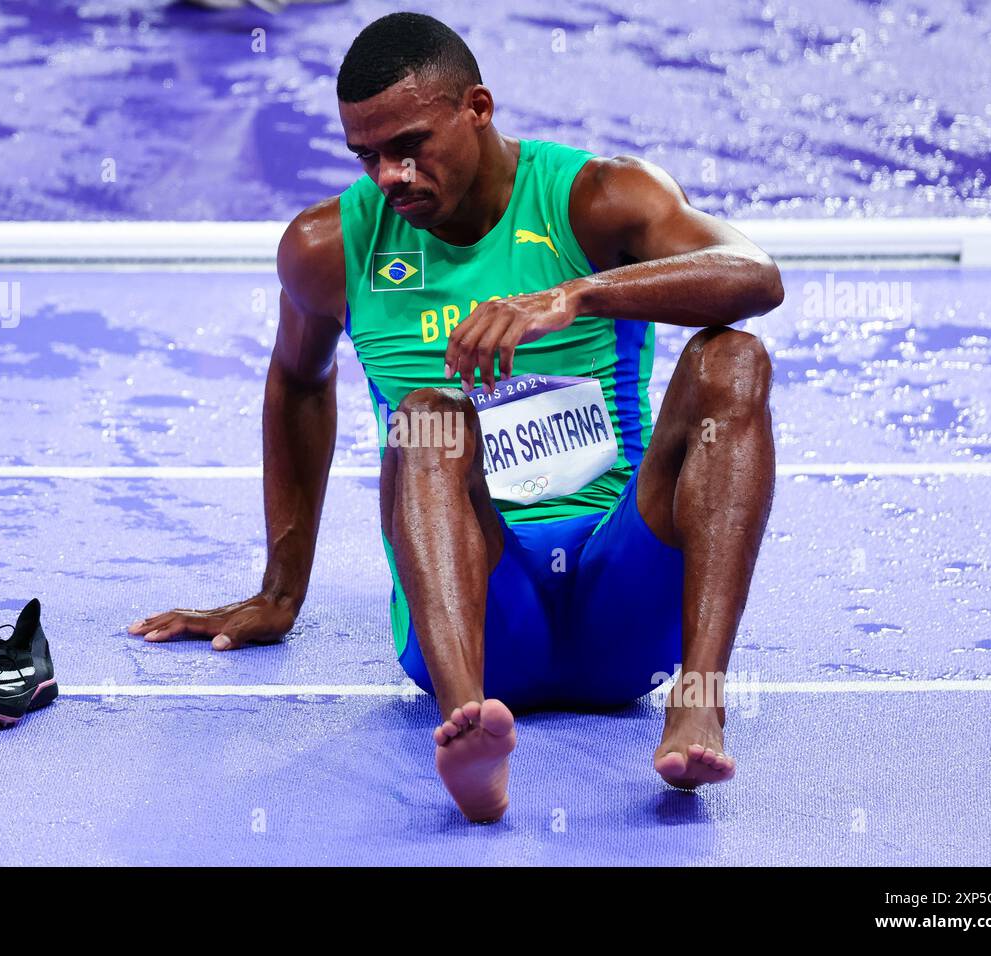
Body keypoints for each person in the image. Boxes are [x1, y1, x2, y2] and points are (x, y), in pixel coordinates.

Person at [130, 12, 782, 823]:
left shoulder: (596, 200)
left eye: (408, 145)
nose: (390, 176)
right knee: (430, 415)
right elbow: (299, 382)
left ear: (477, 107)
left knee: (734, 360)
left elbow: (755, 275)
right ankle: (469, 733)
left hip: (624, 599)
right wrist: (279, 589)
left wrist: (576, 295)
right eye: (366, 157)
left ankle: (701, 697)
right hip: (479, 624)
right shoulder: (328, 246)